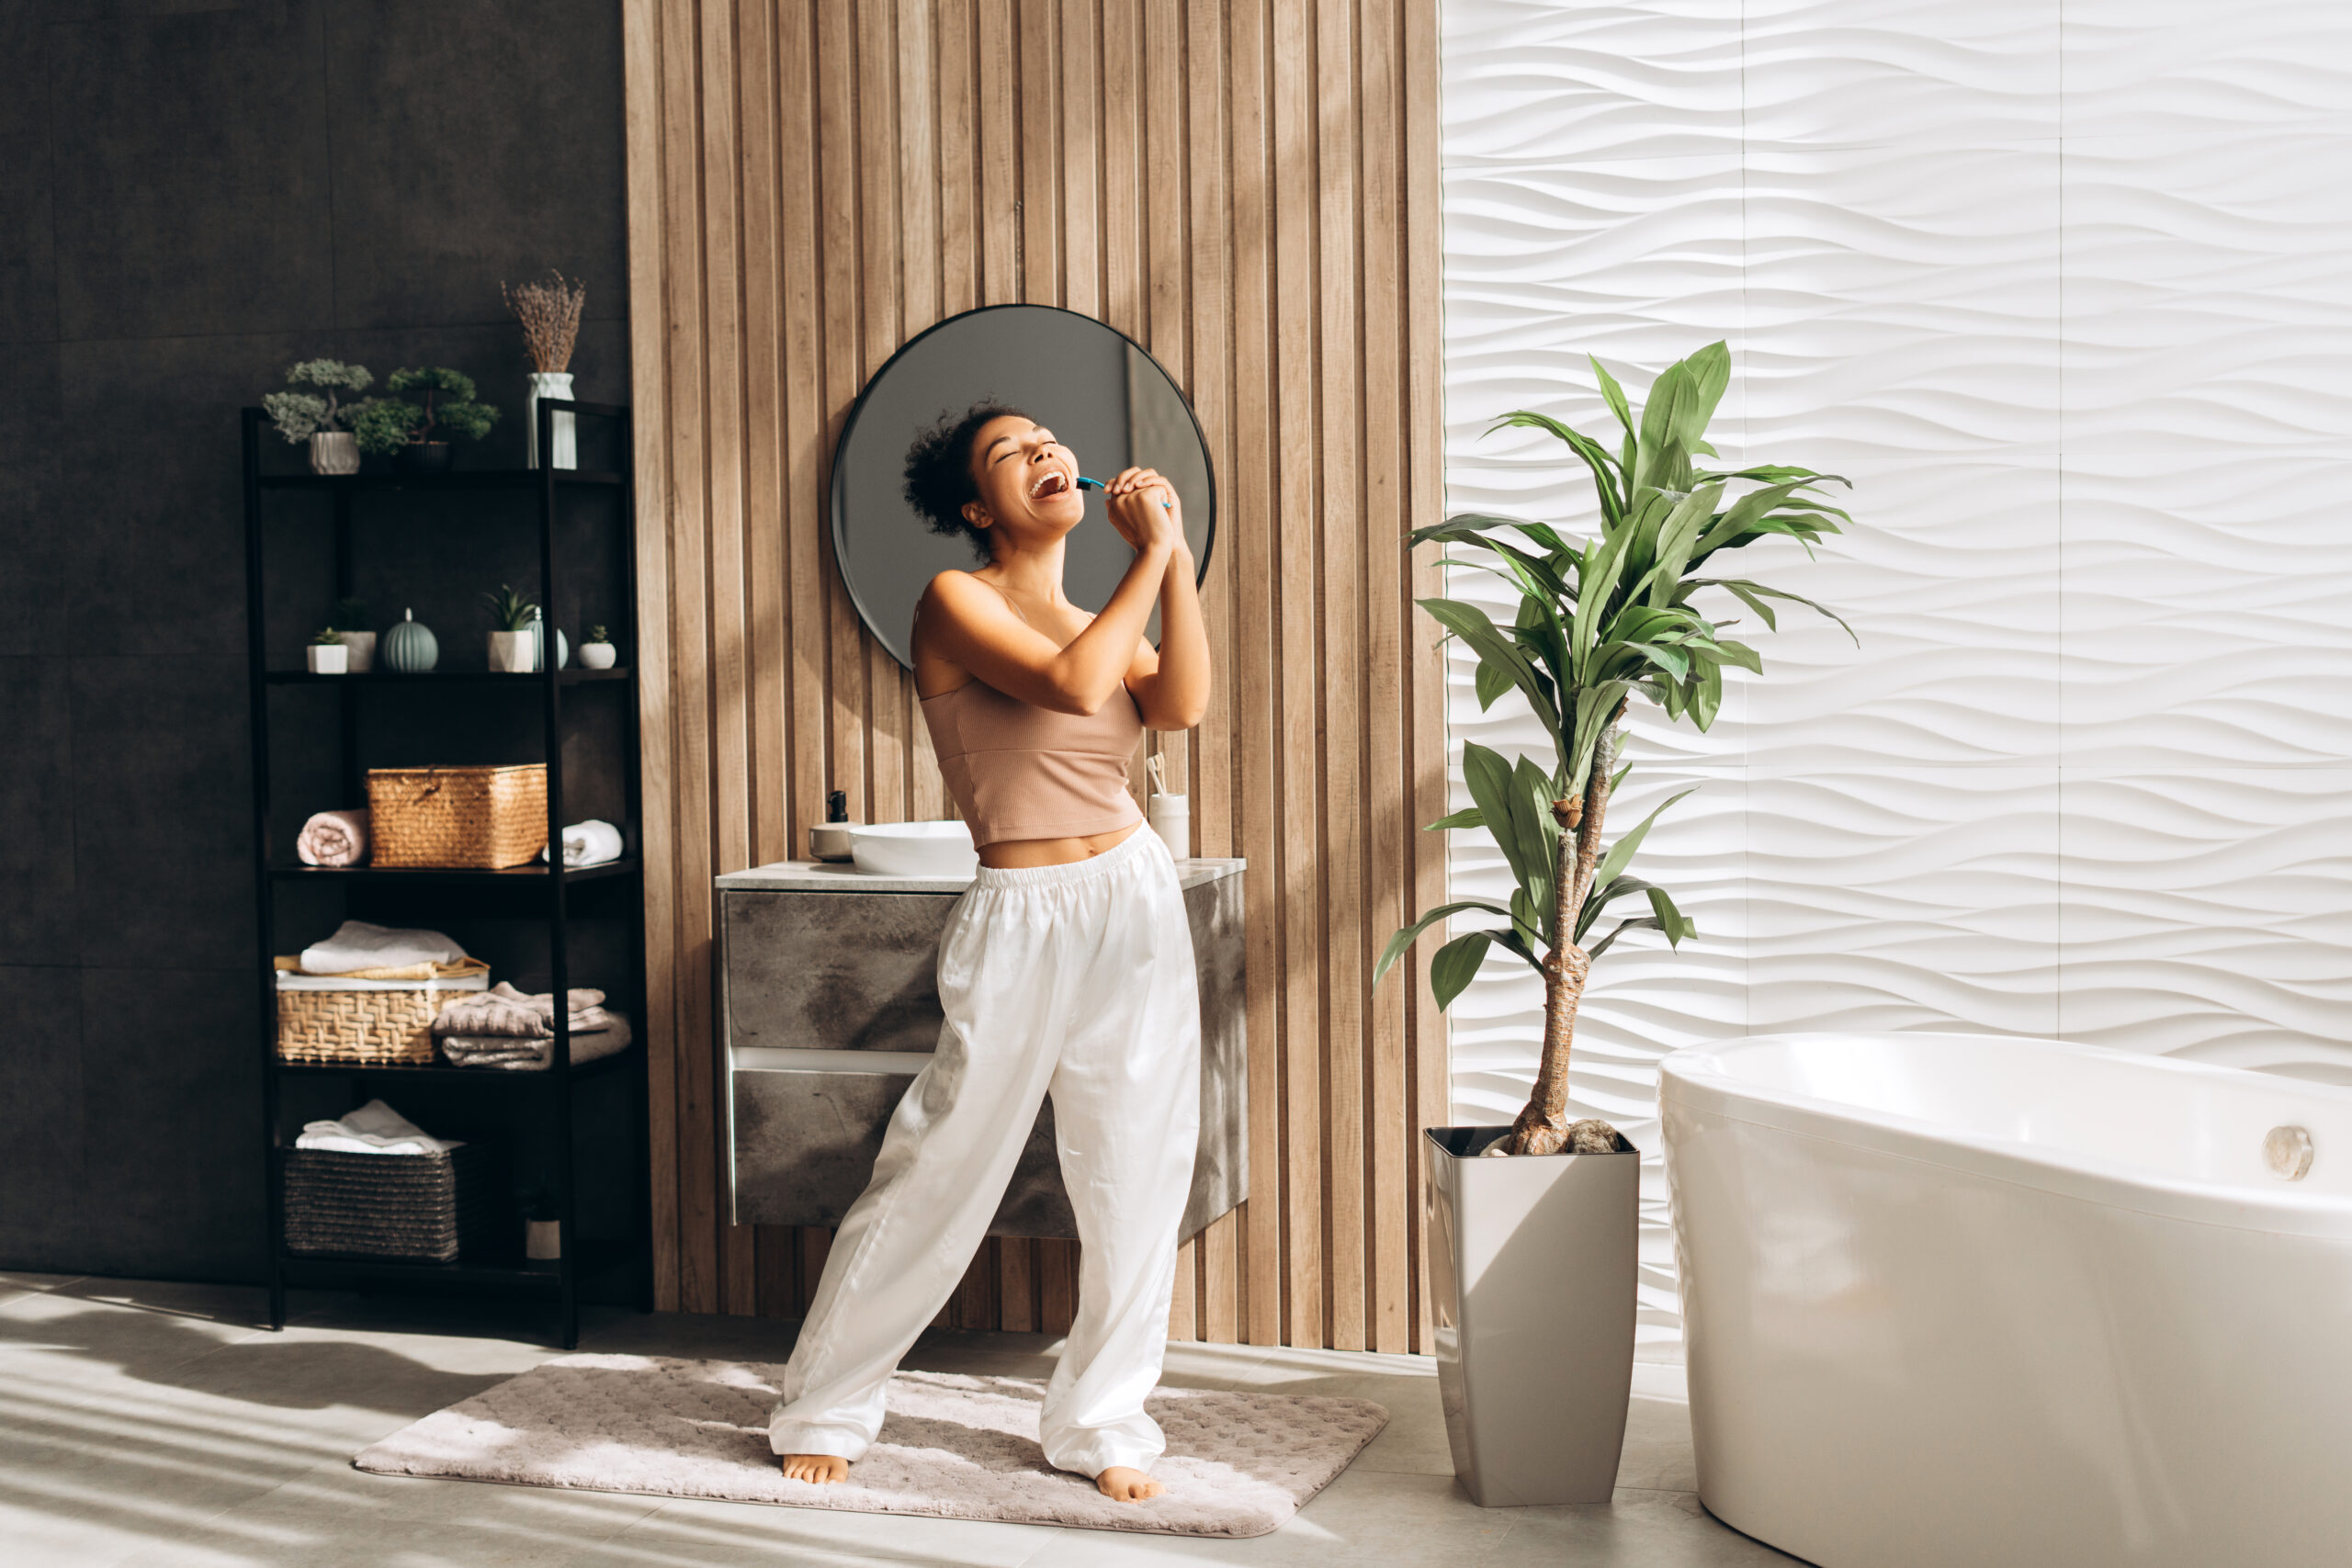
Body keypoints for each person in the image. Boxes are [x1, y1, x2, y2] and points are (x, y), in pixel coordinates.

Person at [768, 402, 1212, 1505]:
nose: (1047, 453)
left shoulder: (1092, 612)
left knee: (1135, 1164)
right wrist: (1151, 553)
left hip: (1130, 893)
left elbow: (1183, 704)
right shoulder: (953, 602)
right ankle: (825, 1402)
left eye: (1051, 441)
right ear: (978, 507)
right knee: (941, 1159)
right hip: (1023, 906)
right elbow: (1069, 688)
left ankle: (1104, 1416)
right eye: (1012, 454)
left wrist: (1179, 564)